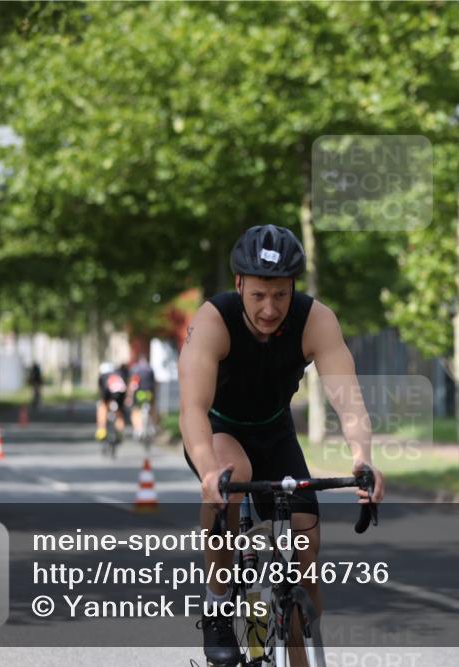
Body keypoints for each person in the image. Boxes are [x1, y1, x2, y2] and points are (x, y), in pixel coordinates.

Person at [178, 224, 384, 667]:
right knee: (236, 475)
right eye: (257, 296)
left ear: (294, 287)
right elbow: (192, 409)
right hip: (220, 431)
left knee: (305, 566)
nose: (270, 309)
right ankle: (216, 603)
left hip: (275, 432)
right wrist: (208, 470)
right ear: (239, 286)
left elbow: (349, 404)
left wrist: (362, 458)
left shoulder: (316, 320)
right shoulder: (214, 321)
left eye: (280, 295)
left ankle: (297, 650)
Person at [95, 361, 128, 443]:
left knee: (102, 407)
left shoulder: (103, 376)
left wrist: (103, 402)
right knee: (119, 413)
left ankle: (101, 430)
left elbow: (101, 392)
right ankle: (120, 433)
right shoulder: (119, 374)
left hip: (108, 392)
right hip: (121, 392)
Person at [128, 354, 157, 439]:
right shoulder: (150, 369)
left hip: (139, 394)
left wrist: (129, 396)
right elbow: (154, 384)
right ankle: (153, 426)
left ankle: (138, 429)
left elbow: (133, 384)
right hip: (149, 394)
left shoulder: (135, 370)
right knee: (153, 407)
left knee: (135, 410)